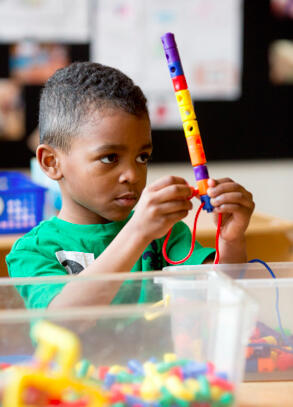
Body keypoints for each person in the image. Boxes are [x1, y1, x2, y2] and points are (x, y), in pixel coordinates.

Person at [6, 62, 255, 309]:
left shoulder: (164, 234)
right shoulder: (33, 251)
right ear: (51, 163)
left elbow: (220, 296)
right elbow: (65, 319)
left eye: (142, 158)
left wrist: (231, 240)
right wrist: (137, 233)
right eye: (110, 158)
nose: (132, 175)